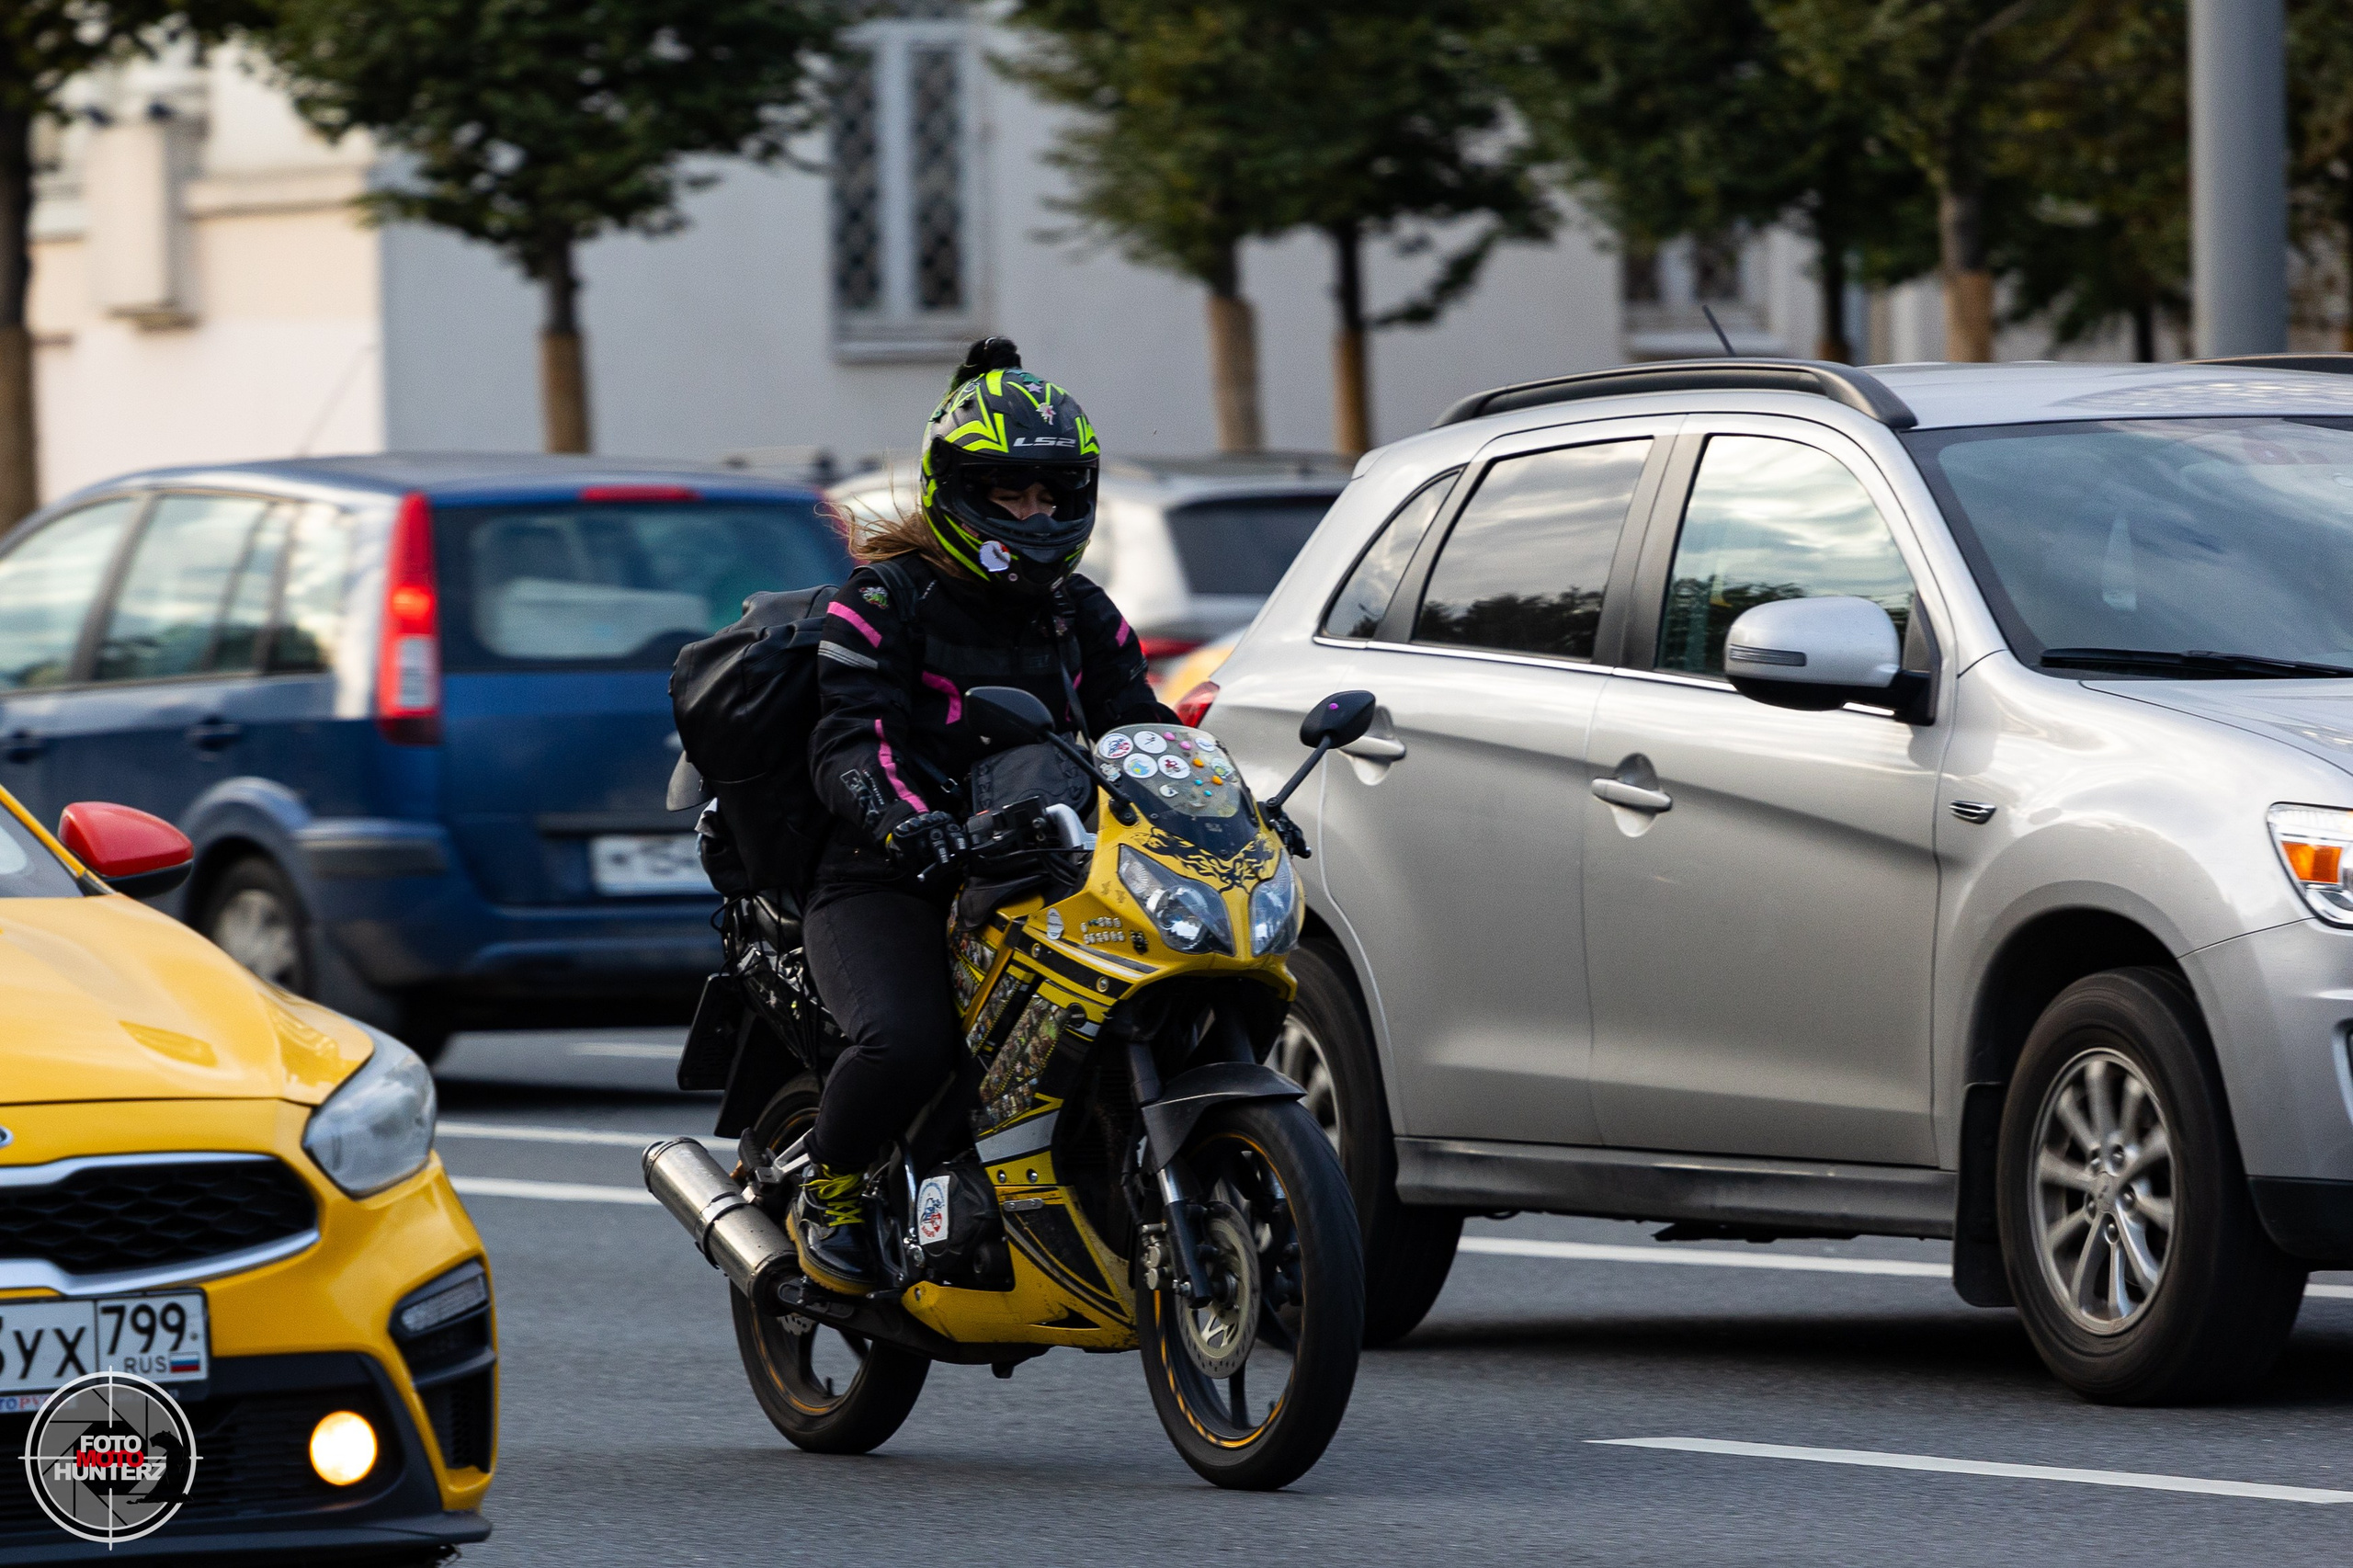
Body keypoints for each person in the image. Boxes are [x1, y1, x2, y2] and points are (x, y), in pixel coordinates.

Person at [791, 337, 1175, 1294]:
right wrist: (915, 824)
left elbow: (1143, 724)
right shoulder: (881, 601)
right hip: (887, 874)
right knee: (907, 1041)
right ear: (955, 488)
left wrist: (1225, 804)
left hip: (1045, 861)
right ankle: (828, 1190)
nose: (1036, 514)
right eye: (1009, 493)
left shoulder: (1080, 610)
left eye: (1053, 493)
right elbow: (851, 746)